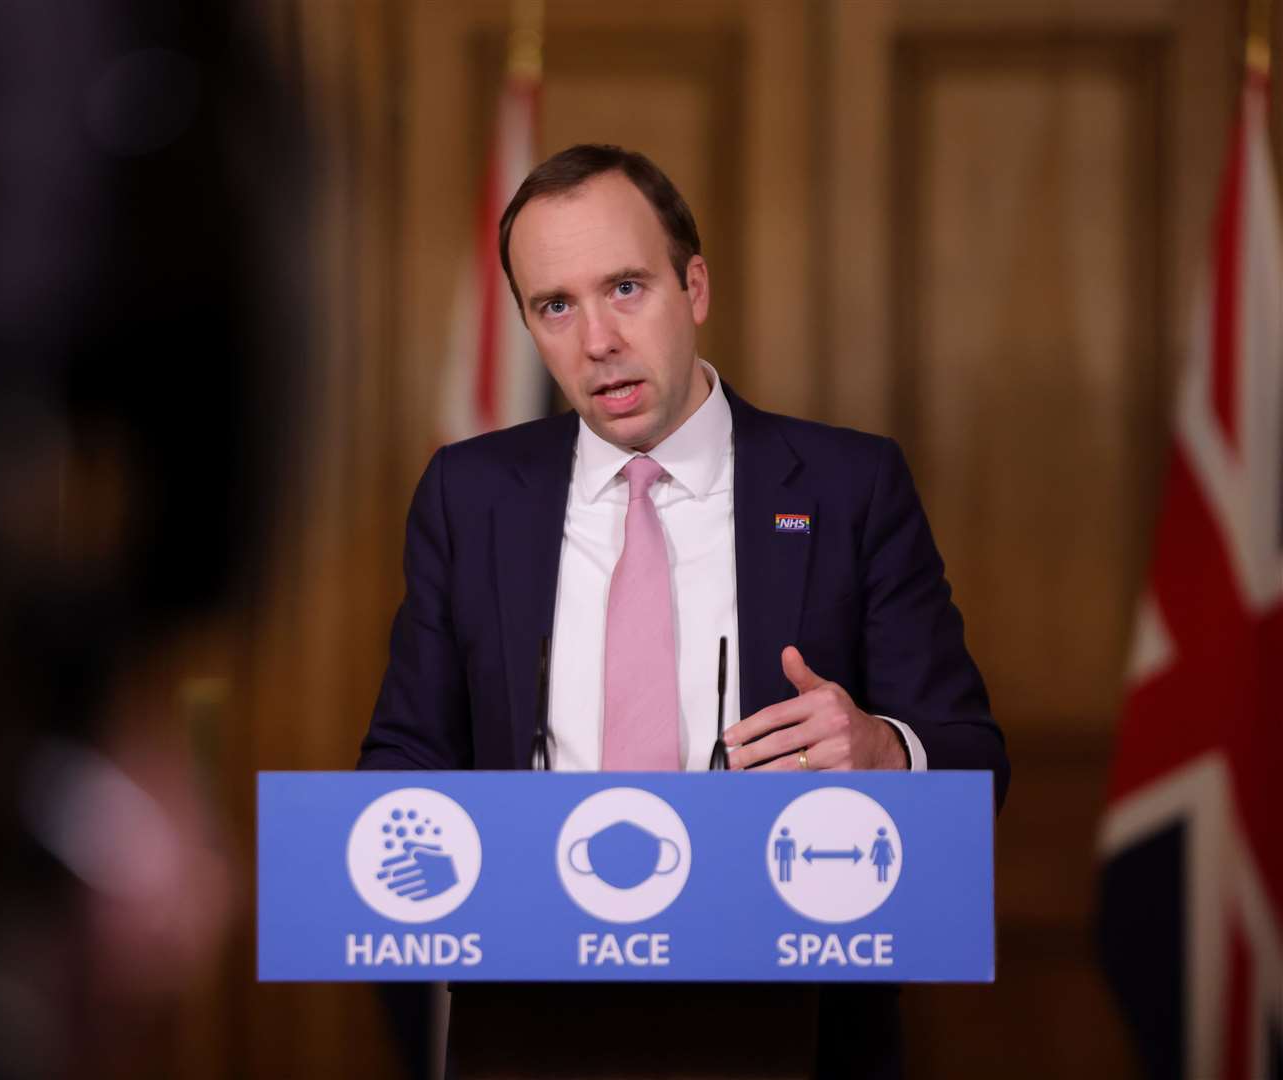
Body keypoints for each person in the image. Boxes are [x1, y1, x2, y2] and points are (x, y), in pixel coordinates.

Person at [358, 144, 1007, 1078]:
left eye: (627, 288)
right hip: (533, 1026)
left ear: (694, 286)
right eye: (555, 306)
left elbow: (976, 764)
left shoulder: (848, 485)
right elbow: (405, 757)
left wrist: (882, 751)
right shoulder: (471, 494)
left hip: (793, 1021)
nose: (597, 341)